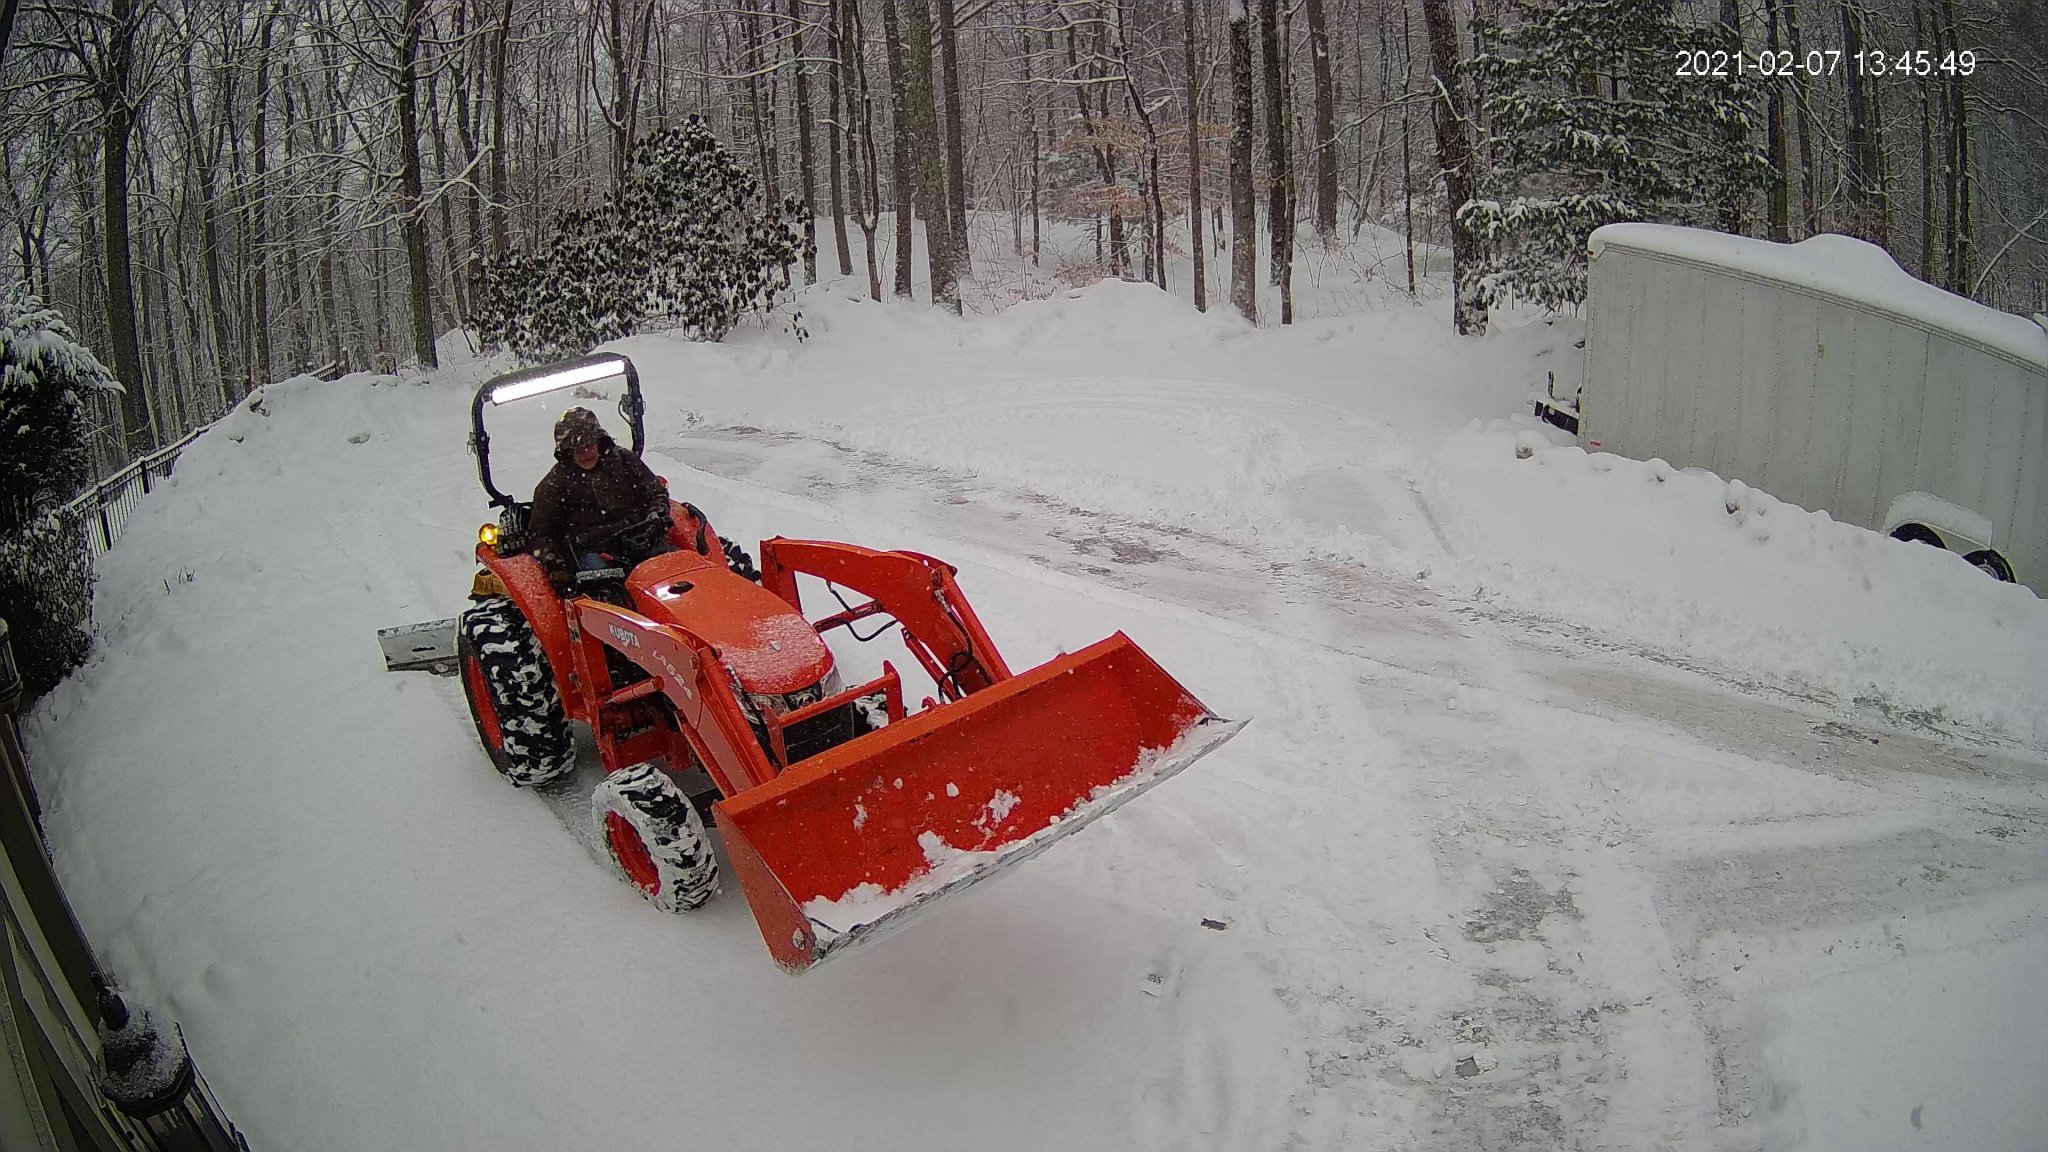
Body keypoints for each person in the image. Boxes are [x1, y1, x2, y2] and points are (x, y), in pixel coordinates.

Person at [529, 407, 673, 583]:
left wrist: (656, 515)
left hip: (641, 537)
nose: (587, 453)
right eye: (579, 449)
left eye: (590, 445)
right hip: (593, 550)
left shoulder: (624, 461)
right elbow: (542, 535)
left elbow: (656, 493)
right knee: (610, 584)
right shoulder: (553, 486)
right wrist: (555, 564)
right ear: (568, 451)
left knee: (677, 565)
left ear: (598, 441)